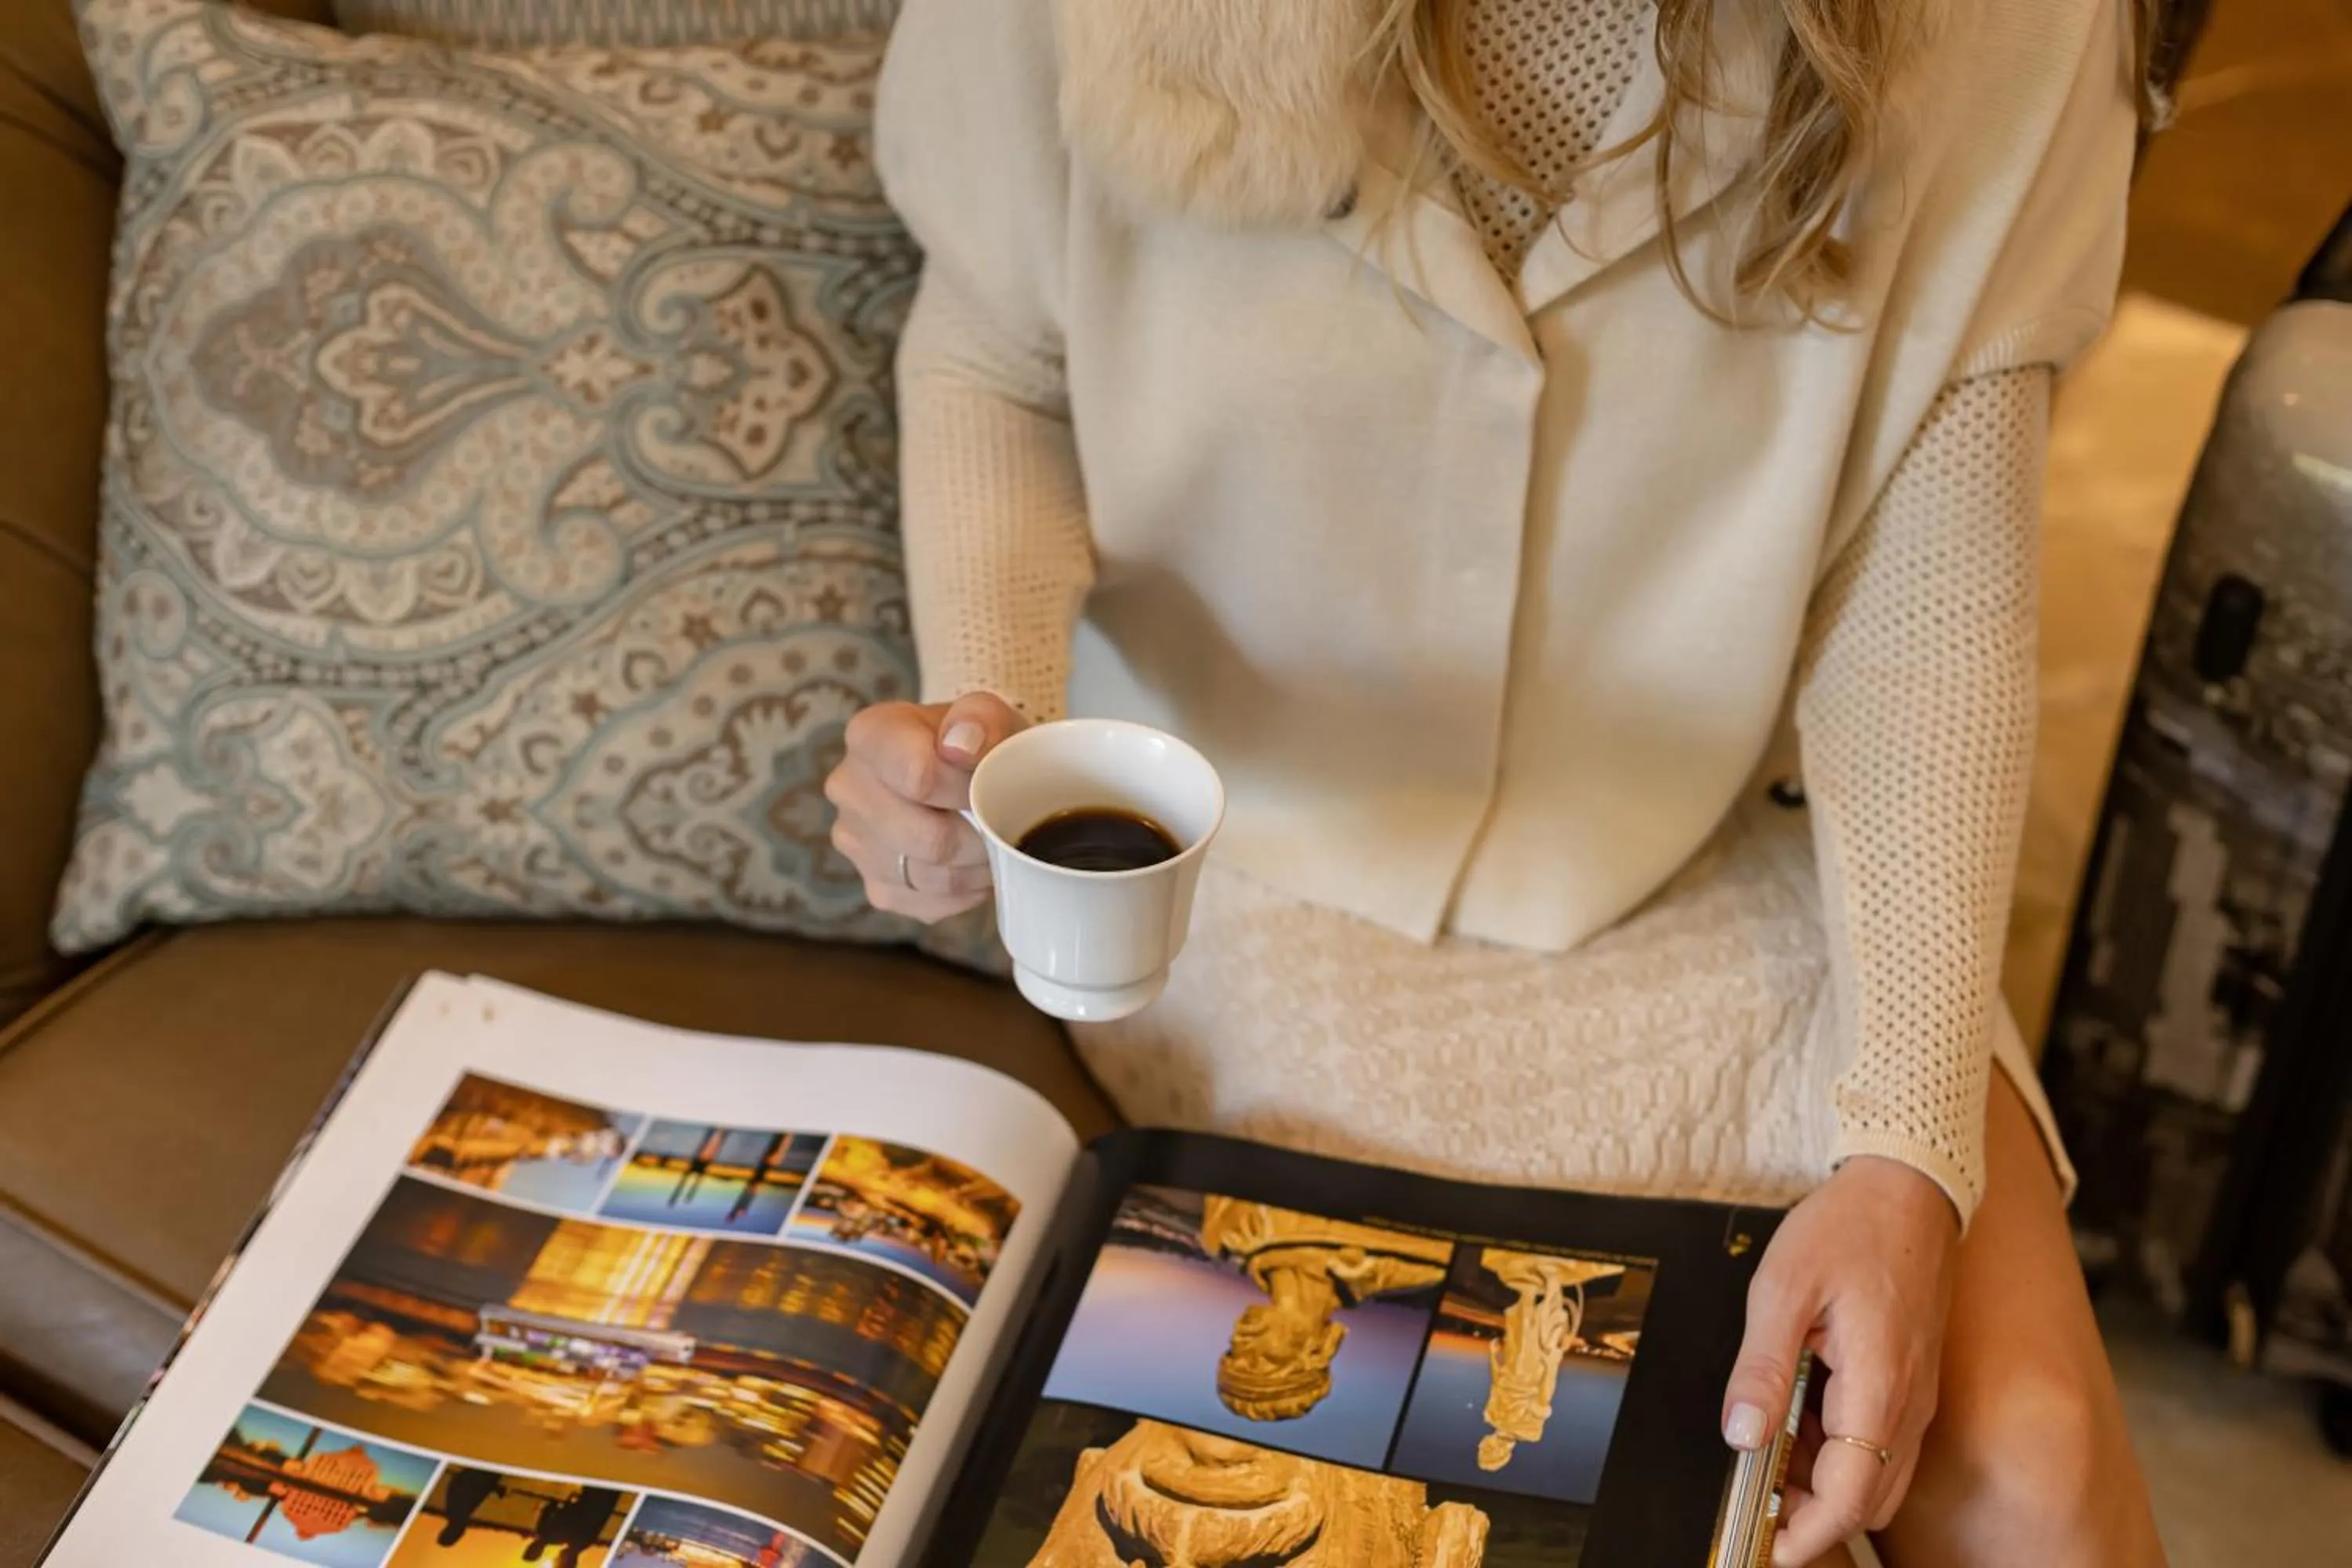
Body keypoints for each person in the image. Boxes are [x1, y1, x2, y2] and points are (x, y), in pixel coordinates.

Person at [828, 0, 2169, 1560]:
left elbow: (1929, 590)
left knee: (2037, 1470)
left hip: (1703, 857)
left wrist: (1910, 1152)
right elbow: (998, 348)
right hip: (1239, 865)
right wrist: (996, 744)